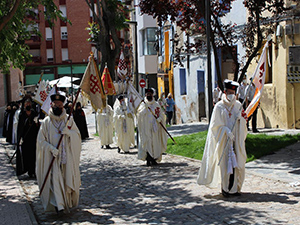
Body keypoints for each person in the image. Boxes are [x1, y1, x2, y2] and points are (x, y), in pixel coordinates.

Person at [197, 79, 248, 197]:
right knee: (225, 165)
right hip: (224, 140)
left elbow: (244, 121)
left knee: (237, 164)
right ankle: (225, 188)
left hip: (236, 140)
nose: (231, 95)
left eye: (233, 93)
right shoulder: (219, 107)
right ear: (225, 92)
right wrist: (225, 130)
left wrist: (241, 120)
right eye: (229, 92)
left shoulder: (238, 105)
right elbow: (215, 127)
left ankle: (234, 188)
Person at [36, 91, 81, 213]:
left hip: (66, 158)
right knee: (55, 181)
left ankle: (65, 202)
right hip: (52, 157)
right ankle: (59, 205)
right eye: (55, 105)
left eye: (60, 105)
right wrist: (51, 149)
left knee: (66, 180)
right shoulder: (46, 122)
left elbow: (78, 136)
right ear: (51, 105)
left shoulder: (68, 120)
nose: (57, 107)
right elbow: (41, 141)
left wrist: (69, 133)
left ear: (63, 106)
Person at [136, 88, 168, 166]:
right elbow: (139, 115)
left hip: (155, 129)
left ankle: (154, 159)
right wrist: (145, 109)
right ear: (145, 95)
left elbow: (161, 114)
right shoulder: (143, 104)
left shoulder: (156, 104)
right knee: (148, 143)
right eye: (147, 94)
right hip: (146, 128)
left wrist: (159, 119)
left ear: (152, 95)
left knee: (155, 143)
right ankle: (148, 159)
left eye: (150, 94)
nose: (149, 95)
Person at [16, 98, 40, 177]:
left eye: (29, 104)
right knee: (26, 155)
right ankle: (26, 169)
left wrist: (36, 123)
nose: (28, 106)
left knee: (33, 155)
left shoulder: (34, 114)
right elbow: (20, 127)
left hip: (33, 138)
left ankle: (32, 171)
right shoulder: (22, 114)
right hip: (25, 139)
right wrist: (20, 138)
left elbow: (38, 127)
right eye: (27, 105)